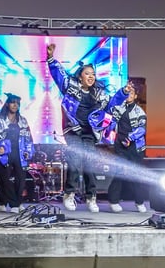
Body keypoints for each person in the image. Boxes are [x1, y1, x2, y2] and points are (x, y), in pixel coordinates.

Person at [47, 42, 110, 212]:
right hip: (72, 130)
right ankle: (69, 194)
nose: (91, 76)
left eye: (93, 74)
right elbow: (59, 76)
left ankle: (91, 197)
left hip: (89, 133)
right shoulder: (71, 87)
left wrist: (124, 93)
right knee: (74, 161)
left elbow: (113, 104)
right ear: (80, 76)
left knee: (89, 164)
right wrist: (51, 58)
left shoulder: (99, 94)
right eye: (87, 73)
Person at [92, 82, 147, 213]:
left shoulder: (140, 112)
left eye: (131, 93)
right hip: (120, 146)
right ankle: (114, 201)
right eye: (127, 93)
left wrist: (130, 138)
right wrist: (104, 131)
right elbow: (110, 122)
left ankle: (139, 202)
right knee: (118, 173)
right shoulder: (118, 108)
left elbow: (142, 129)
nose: (129, 96)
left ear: (135, 96)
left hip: (135, 147)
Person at [1, 93, 34, 213]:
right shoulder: (0, 120)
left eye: (17, 103)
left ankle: (18, 202)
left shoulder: (23, 120)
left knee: (21, 179)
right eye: (13, 102)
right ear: (7, 104)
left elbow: (29, 138)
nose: (15, 105)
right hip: (5, 153)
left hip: (19, 153)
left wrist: (28, 152)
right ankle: (2, 202)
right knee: (5, 179)